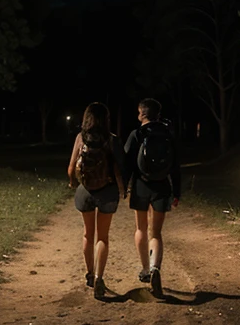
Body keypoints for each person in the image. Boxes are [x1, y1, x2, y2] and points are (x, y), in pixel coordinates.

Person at [67, 102, 125, 299]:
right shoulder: (112, 140)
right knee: (103, 237)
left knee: (87, 234)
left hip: (85, 192)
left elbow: (70, 169)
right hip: (107, 192)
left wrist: (73, 182)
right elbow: (121, 168)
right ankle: (100, 277)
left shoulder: (80, 138)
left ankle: (90, 274)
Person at [123, 98, 180, 298]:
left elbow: (127, 163)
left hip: (141, 186)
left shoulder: (136, 134)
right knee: (156, 233)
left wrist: (124, 186)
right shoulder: (167, 134)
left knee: (141, 228)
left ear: (142, 114)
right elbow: (175, 165)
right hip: (162, 185)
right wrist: (177, 192)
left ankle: (145, 270)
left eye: (139, 112)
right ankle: (156, 267)